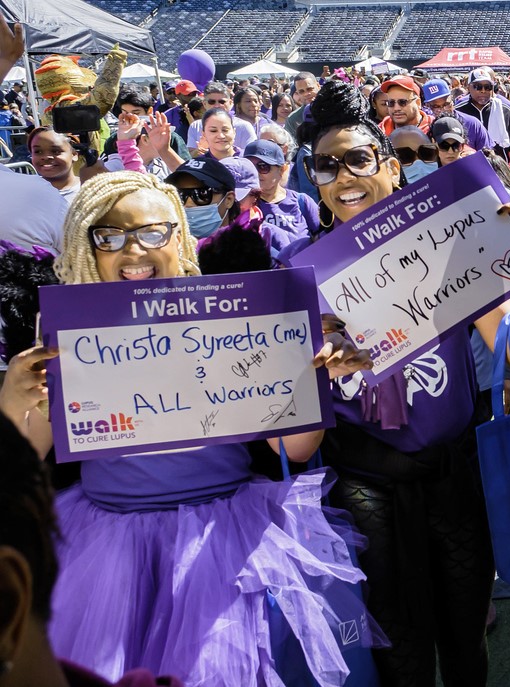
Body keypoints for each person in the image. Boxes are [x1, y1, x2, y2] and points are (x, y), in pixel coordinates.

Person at [0, 171, 382, 686]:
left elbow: (294, 450)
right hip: (106, 550)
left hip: (224, 537)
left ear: (178, 235)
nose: (132, 249)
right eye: (108, 235)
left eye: (152, 232)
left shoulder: (230, 317)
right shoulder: (67, 335)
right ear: (85, 243)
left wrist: (307, 385)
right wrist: (13, 402)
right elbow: (27, 461)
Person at [279, 80, 510, 686]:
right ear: (315, 182)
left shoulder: (446, 244)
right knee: (396, 653)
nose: (343, 176)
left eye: (357, 159)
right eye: (325, 165)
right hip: (361, 488)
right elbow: (284, 405)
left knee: (464, 644)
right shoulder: (297, 270)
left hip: (452, 476)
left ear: (392, 167)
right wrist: (312, 358)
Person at [0, 410, 185, 687]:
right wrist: (17, 401)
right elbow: (26, 458)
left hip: (216, 534)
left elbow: (273, 434)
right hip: (104, 539)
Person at [245, 138, 319, 251]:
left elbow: (324, 238)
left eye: (263, 166)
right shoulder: (242, 205)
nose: (255, 172)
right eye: (250, 166)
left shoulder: (302, 202)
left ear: (282, 169)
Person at [456, 69, 510, 160]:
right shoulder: (459, 111)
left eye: (487, 87)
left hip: (499, 167)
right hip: (469, 167)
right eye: (478, 86)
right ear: (468, 87)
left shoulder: (504, 110)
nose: (483, 91)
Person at [420, 78, 494, 152]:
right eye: (436, 107)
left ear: (452, 98)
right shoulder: (425, 129)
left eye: (446, 104)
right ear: (427, 106)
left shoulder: (472, 124)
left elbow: (489, 155)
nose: (442, 110)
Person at [186, 83, 257, 155]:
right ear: (204, 104)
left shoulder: (244, 126)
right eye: (212, 102)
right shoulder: (195, 126)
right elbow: (189, 155)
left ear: (230, 103)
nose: (217, 105)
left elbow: (252, 156)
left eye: (222, 102)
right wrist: (199, 151)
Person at [28, 127, 81, 203]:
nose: (46, 157)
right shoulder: (26, 192)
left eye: (55, 151)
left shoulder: (89, 190)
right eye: (38, 151)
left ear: (74, 154)